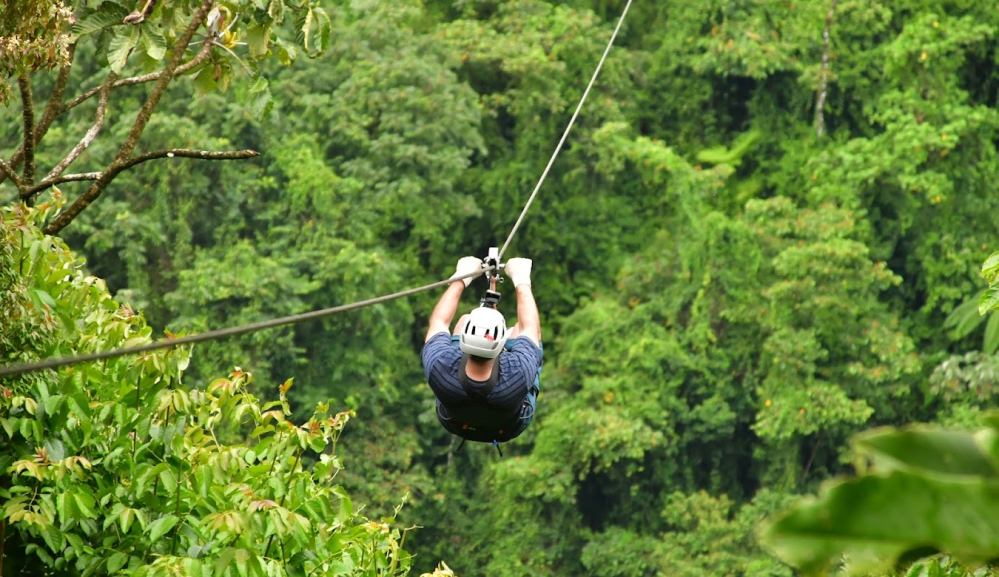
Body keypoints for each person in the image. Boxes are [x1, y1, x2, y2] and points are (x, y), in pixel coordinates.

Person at [421, 256, 543, 446]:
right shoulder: (517, 372)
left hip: (455, 422)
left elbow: (439, 322)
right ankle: (510, 337)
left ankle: (479, 331)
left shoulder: (440, 365)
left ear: (464, 341)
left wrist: (460, 278)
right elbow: (531, 328)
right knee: (522, 330)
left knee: (463, 320)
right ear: (501, 344)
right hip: (509, 426)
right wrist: (521, 281)